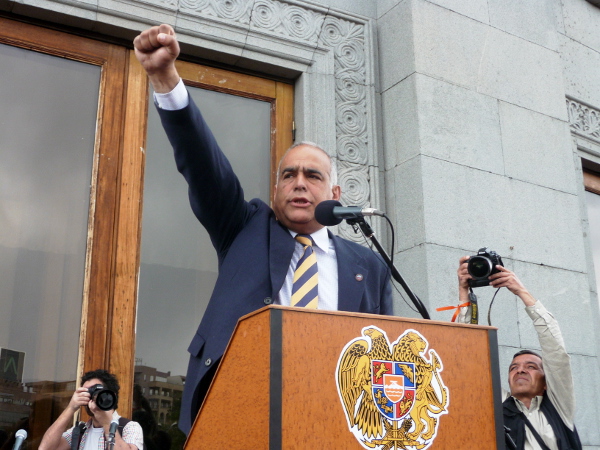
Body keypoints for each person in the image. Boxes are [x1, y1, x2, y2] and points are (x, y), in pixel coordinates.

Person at [133, 24, 393, 434]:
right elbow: (204, 167)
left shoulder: (368, 266)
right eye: (289, 175)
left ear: (335, 193)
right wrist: (166, 80)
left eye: (312, 175)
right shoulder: (244, 228)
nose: (299, 183)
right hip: (241, 407)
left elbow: (383, 356)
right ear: (275, 191)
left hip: (334, 417)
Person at [456, 256, 582, 450]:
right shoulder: (499, 405)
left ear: (546, 383)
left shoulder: (559, 406)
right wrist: (464, 292)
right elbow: (467, 354)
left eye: (531, 367)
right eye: (513, 368)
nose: (520, 370)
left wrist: (521, 291)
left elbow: (555, 350)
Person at [39, 369, 144, 450]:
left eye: (96, 391)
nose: (92, 397)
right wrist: (71, 408)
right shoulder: (80, 431)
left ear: (111, 396)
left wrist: (107, 423)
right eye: (86, 392)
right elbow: (45, 448)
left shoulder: (129, 427)